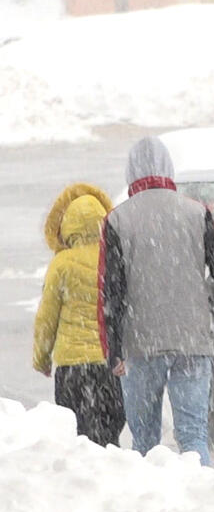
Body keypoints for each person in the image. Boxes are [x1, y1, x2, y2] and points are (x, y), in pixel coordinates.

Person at [99, 137, 214, 466]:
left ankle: (151, 504)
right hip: (191, 339)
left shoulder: (118, 220)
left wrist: (114, 348)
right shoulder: (197, 213)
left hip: (141, 345)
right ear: (168, 170)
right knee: (194, 434)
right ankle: (202, 498)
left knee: (145, 439)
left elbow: (111, 290)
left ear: (130, 173)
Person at [33, 184, 125, 446]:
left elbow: (46, 317)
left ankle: (85, 479)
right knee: (109, 434)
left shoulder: (61, 264)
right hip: (109, 364)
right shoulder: (113, 257)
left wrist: (41, 357)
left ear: (66, 225)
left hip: (72, 367)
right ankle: (111, 476)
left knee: (78, 436)